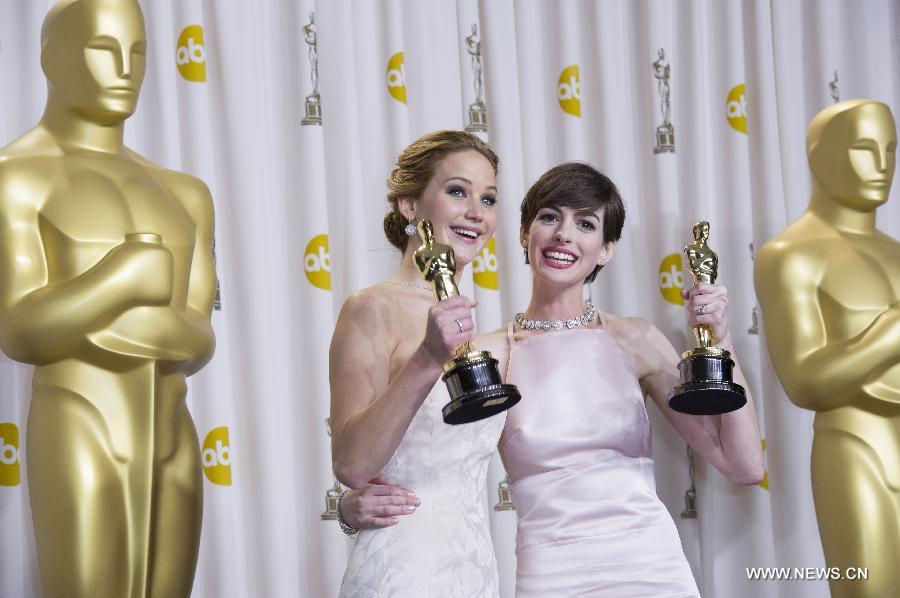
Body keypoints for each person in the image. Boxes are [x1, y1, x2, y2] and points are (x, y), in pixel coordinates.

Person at [345, 162, 764, 596]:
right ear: (525, 234)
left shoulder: (637, 340)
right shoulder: (487, 355)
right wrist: (351, 506)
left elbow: (743, 464)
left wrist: (722, 337)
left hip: (652, 569)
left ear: (606, 249)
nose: (564, 234)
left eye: (585, 224)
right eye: (550, 217)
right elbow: (423, 458)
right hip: (551, 577)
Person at [0, 1, 216, 596]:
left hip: (173, 431)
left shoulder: (185, 193)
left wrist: (98, 317)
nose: (124, 67)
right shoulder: (15, 177)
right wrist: (120, 280)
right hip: (78, 422)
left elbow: (199, 338)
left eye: (138, 52)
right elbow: (20, 330)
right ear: (51, 57)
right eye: (103, 48)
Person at [329, 130, 505, 597]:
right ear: (410, 206)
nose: (476, 212)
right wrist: (428, 357)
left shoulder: (485, 330)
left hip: (477, 567)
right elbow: (351, 462)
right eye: (457, 191)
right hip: (404, 567)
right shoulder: (371, 308)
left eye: (488, 199)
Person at [754, 99, 899, 598]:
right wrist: (891, 333)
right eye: (864, 149)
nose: (882, 166)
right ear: (820, 155)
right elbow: (806, 381)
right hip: (858, 448)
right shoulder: (790, 256)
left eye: (890, 149)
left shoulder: (896, 252)